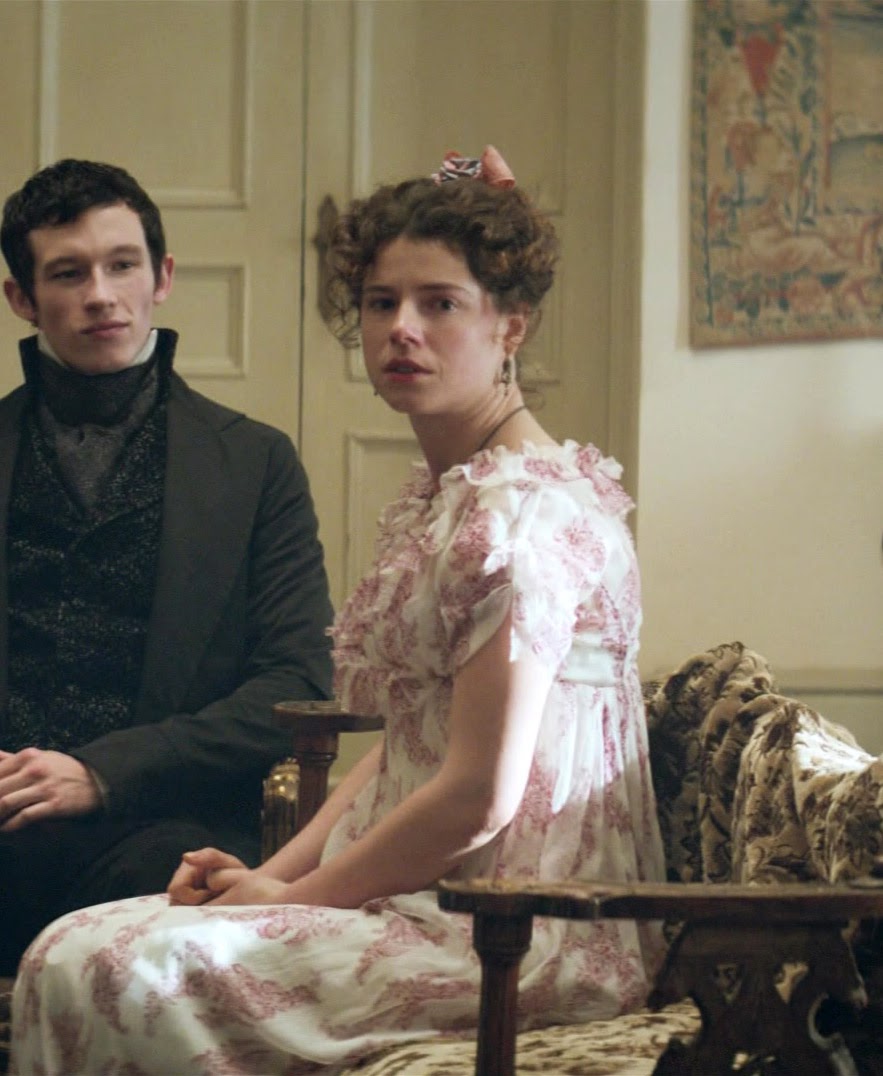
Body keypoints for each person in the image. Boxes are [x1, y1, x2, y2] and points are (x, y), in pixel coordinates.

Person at [9, 147, 665, 1075]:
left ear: (510, 323)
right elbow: (407, 746)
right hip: (429, 891)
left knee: (113, 969)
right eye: (380, 302)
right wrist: (271, 878)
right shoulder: (451, 502)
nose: (402, 330)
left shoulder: (522, 516)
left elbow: (477, 799)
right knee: (69, 952)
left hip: (515, 921)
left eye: (440, 304)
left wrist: (294, 899)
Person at [0, 159, 334, 976]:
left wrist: (105, 772)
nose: (101, 295)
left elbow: (295, 681)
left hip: (168, 830)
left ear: (163, 277)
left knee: (166, 924)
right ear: (21, 298)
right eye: (68, 274)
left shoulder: (255, 462)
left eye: (122, 265)